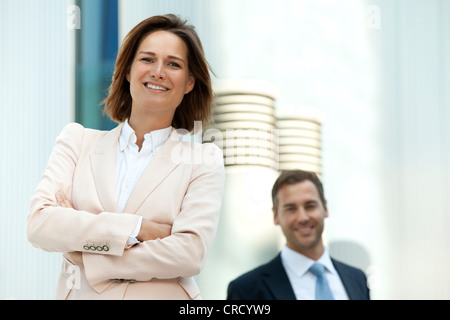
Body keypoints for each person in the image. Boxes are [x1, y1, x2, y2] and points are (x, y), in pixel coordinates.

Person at [27, 14, 225, 300]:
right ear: (129, 71)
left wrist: (89, 254)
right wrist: (138, 228)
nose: (158, 71)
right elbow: (41, 225)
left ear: (190, 82)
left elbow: (189, 254)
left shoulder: (203, 160)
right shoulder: (77, 141)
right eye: (147, 59)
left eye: (173, 64)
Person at [227, 170, 370, 300]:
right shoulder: (247, 290)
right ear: (275, 216)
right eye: (291, 209)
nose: (302, 218)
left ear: (325, 208)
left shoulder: (357, 279)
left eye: (310, 206)